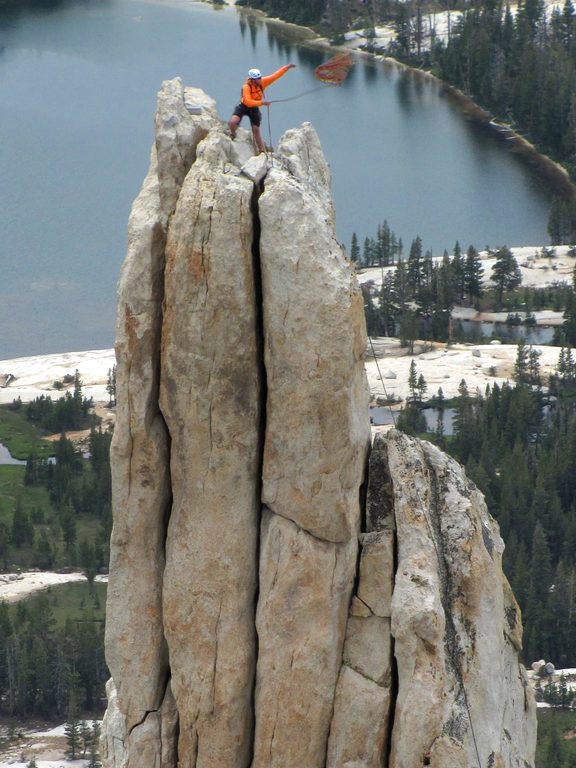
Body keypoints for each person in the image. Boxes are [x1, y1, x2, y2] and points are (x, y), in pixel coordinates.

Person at [229, 64, 296, 153]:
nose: (259, 80)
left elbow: (275, 76)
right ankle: (233, 133)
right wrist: (262, 103)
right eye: (257, 79)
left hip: (254, 108)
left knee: (256, 130)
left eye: (259, 77)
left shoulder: (262, 82)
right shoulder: (246, 87)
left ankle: (262, 151)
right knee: (233, 122)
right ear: (252, 80)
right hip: (244, 106)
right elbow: (248, 101)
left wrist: (286, 67)